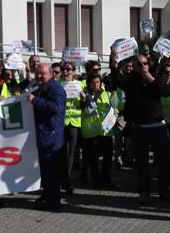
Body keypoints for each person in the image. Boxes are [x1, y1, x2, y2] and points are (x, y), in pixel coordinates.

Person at [110, 53, 170, 203]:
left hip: (158, 127)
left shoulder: (155, 76)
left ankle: (164, 191)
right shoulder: (131, 80)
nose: (143, 66)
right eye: (139, 64)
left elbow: (166, 91)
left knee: (163, 162)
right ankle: (144, 192)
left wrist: (150, 78)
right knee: (142, 164)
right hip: (139, 128)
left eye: (145, 63)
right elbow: (118, 79)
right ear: (134, 67)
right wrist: (113, 64)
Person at [28, 62, 65, 211]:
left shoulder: (56, 89)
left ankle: (54, 204)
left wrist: (35, 101)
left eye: (42, 73)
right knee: (45, 171)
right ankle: (47, 196)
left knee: (51, 173)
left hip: (51, 139)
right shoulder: (39, 88)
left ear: (50, 74)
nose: (39, 76)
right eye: (37, 73)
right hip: (42, 137)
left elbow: (55, 108)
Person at [80, 73, 115, 189]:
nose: (96, 85)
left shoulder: (106, 94)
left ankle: (106, 179)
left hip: (105, 131)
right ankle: (96, 181)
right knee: (93, 159)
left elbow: (110, 107)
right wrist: (95, 98)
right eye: (93, 82)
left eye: (98, 82)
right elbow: (86, 112)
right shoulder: (85, 95)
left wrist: (115, 111)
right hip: (92, 132)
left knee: (108, 156)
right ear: (89, 84)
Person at [59, 61, 83, 195]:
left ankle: (66, 180)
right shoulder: (58, 85)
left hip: (74, 123)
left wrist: (84, 98)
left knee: (71, 154)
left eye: (69, 69)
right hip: (61, 123)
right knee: (61, 152)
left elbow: (86, 104)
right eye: (64, 69)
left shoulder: (80, 85)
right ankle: (62, 180)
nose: (66, 72)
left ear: (74, 72)